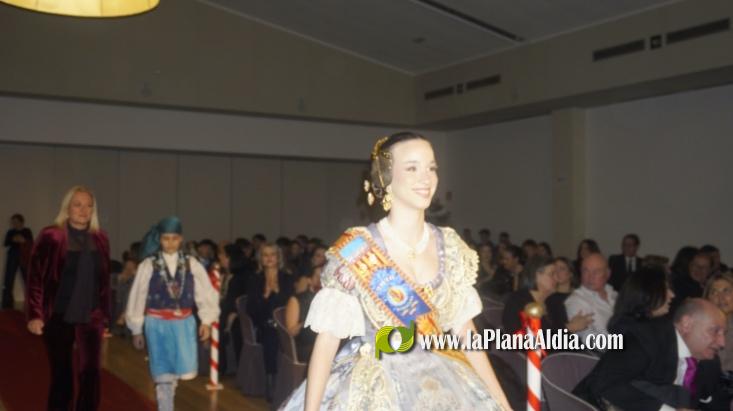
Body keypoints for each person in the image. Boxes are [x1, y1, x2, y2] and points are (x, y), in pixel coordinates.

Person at [280, 132, 511, 410]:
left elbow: (465, 332)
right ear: (386, 178)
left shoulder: (450, 246)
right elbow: (327, 341)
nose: (426, 178)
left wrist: (502, 403)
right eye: (412, 168)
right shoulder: (358, 248)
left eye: (431, 167)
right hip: (376, 384)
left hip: (446, 381)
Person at [26, 186, 111, 411]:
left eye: (89, 206)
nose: (83, 210)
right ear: (67, 207)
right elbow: (35, 277)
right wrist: (35, 315)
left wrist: (105, 317)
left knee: (91, 374)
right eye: (78, 205)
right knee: (62, 374)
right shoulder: (51, 235)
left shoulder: (101, 238)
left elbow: (103, 281)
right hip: (58, 314)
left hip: (91, 316)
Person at [125, 217, 219, 411]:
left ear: (181, 239)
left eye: (174, 238)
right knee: (163, 374)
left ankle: (168, 402)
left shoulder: (191, 263)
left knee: (176, 372)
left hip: (184, 324)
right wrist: (136, 329)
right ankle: (165, 406)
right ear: (159, 239)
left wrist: (206, 321)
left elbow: (205, 292)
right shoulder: (149, 264)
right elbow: (138, 295)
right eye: (166, 238)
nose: (170, 243)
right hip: (157, 324)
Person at [574, 298, 730, 410]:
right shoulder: (643, 339)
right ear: (686, 324)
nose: (722, 342)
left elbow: (712, 401)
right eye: (715, 331)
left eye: (724, 333)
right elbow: (605, 384)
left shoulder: (709, 361)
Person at [247, 242, 294, 401]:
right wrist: (265, 295)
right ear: (260, 258)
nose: (269, 258)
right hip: (264, 323)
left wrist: (278, 292)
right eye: (265, 255)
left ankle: (282, 383)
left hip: (286, 323)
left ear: (278, 257)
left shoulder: (287, 278)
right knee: (270, 337)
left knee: (274, 335)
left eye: (272, 254)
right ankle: (270, 382)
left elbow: (290, 303)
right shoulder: (255, 279)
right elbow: (251, 309)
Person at [564, 253, 618, 342]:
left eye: (597, 271)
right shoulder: (576, 301)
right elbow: (589, 340)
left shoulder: (615, 294)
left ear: (608, 273)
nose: (590, 277)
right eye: (586, 271)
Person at [606, 267, 675, 335]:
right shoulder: (628, 331)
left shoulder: (658, 324)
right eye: (666, 289)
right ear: (648, 294)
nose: (672, 295)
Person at [502, 256, 558, 333]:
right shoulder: (518, 301)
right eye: (552, 274)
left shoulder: (552, 301)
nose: (557, 278)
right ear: (536, 276)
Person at [285, 269, 318, 363]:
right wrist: (306, 321)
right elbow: (291, 332)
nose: (321, 278)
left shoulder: (329, 300)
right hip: (305, 346)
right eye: (317, 276)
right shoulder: (297, 299)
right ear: (309, 280)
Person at [3, 213, 33, 309]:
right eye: (13, 222)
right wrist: (14, 239)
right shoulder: (10, 232)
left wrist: (23, 240)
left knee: (27, 278)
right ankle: (7, 303)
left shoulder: (27, 231)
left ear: (21, 222)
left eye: (16, 222)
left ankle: (30, 301)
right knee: (9, 279)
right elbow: (6, 243)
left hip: (24, 256)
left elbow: (31, 242)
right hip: (12, 255)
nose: (14, 224)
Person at [704, 272, 733, 372]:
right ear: (708, 298)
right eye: (714, 292)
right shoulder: (700, 326)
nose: (721, 298)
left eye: (726, 291)